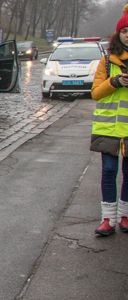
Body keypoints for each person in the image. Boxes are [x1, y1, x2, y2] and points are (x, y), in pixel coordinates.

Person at [90, 4, 128, 236]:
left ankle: (124, 216)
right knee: (108, 171)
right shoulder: (107, 61)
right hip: (108, 127)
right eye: (125, 31)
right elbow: (95, 93)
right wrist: (114, 83)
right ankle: (108, 219)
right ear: (118, 34)